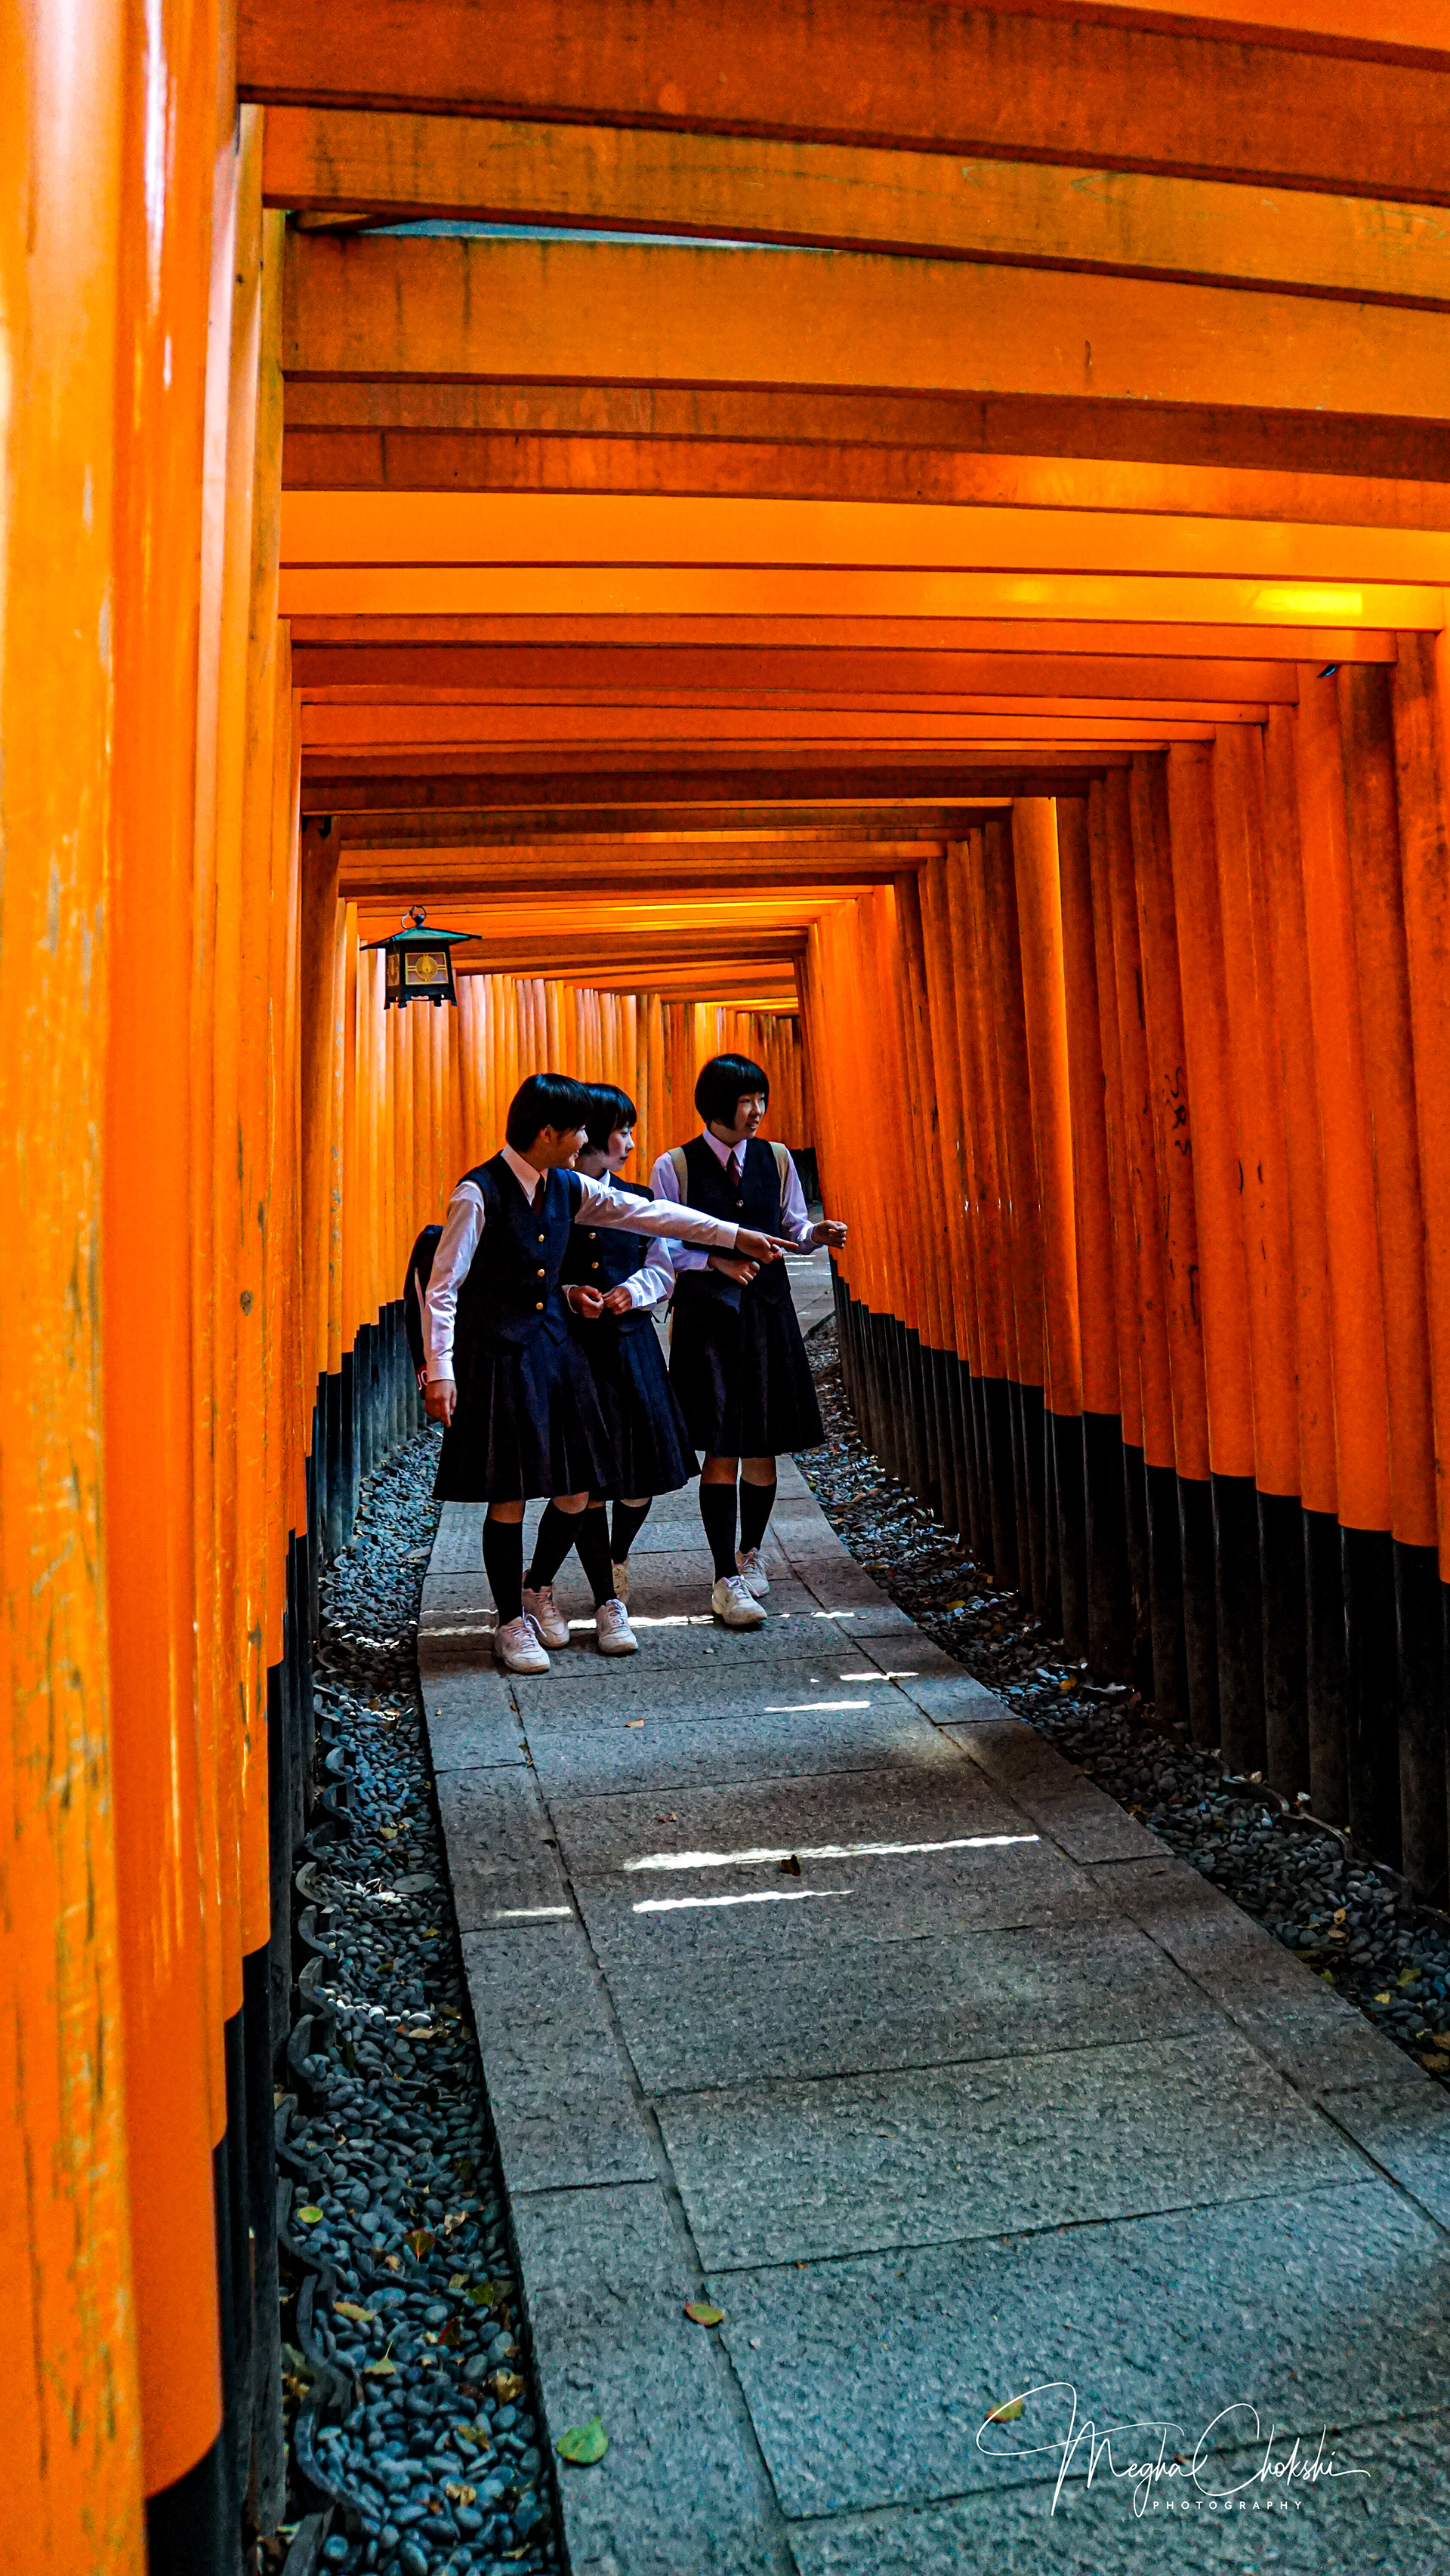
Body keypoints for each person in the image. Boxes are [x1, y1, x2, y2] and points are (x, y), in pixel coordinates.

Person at [423, 1071, 788, 1674]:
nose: (585, 1142)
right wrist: (442, 1370)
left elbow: (650, 1215)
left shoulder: (564, 1185)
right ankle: (510, 1621)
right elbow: (443, 1289)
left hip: (555, 1351)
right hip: (499, 1356)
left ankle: (543, 1587)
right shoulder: (478, 1193)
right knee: (508, 1495)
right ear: (547, 1132)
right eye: (578, 1132)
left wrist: (735, 1235)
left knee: (576, 1485)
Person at [652, 1053, 847, 1628]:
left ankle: (752, 1550)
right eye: (747, 1101)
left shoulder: (778, 1159)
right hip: (709, 1318)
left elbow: (791, 1228)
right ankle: (723, 1573)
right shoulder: (676, 1167)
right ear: (719, 1104)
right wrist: (715, 1258)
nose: (758, 1111)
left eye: (762, 1099)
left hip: (766, 1312)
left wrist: (817, 1233)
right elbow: (662, 1245)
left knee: (764, 1440)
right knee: (720, 1441)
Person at [525, 1081, 697, 1626]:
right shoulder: (554, 1200)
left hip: (630, 1345)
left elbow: (663, 1266)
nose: (628, 1144)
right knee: (588, 1484)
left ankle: (616, 1559)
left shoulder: (638, 1197)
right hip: (576, 1351)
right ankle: (599, 1597)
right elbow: (535, 1277)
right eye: (622, 1132)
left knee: (640, 1477)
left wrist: (636, 1291)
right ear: (591, 1139)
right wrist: (571, 1292)